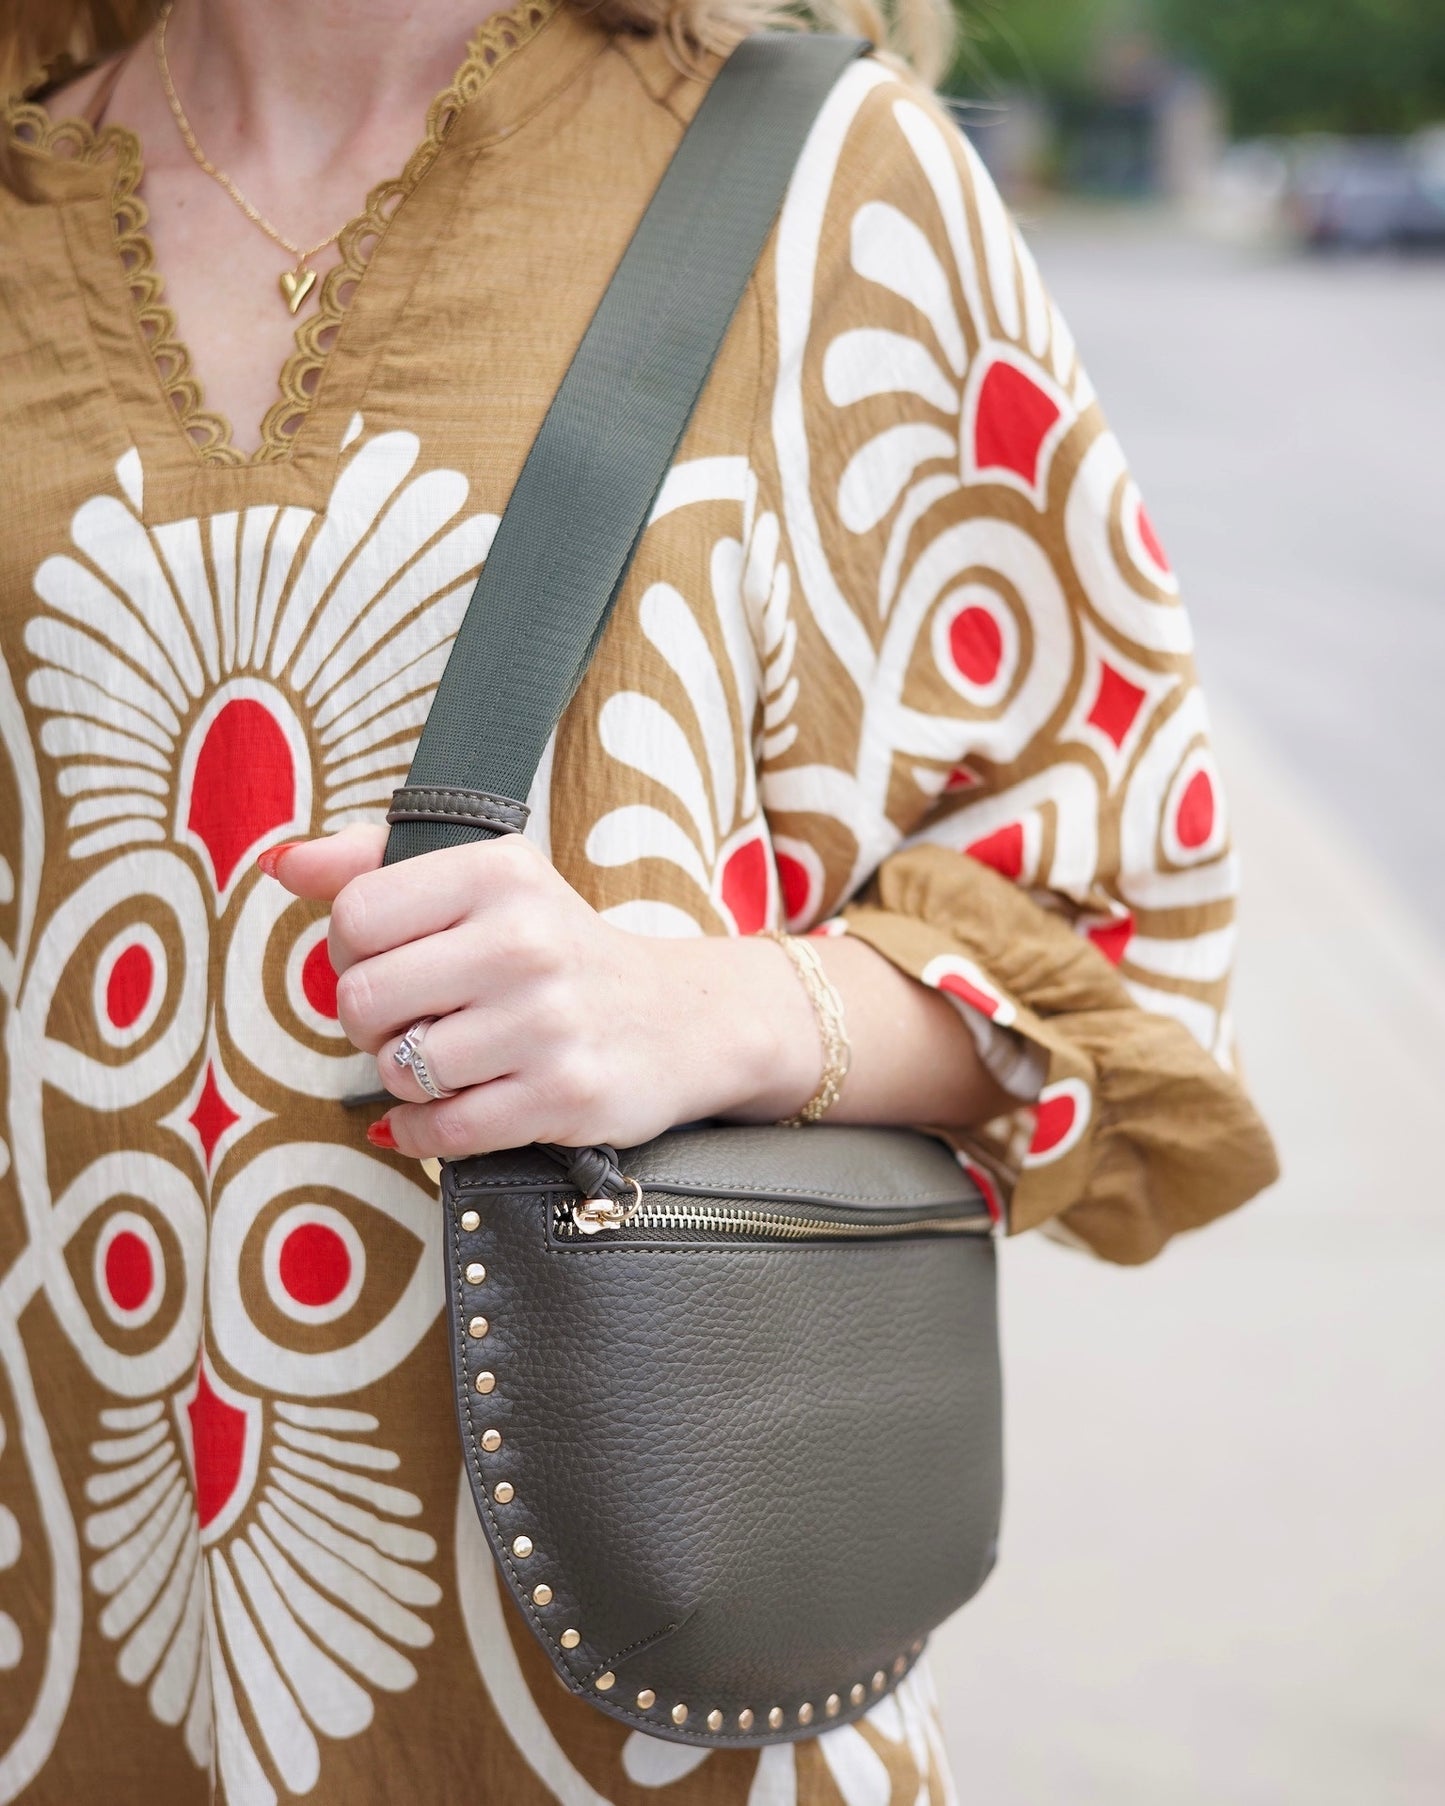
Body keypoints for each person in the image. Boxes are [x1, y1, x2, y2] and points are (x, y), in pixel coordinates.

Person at [0, 0, 1277, 1800]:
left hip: (622, 1704)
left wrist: (729, 1012)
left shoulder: (823, 178)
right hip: (62, 1637)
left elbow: (1125, 938)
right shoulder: (23, 187)